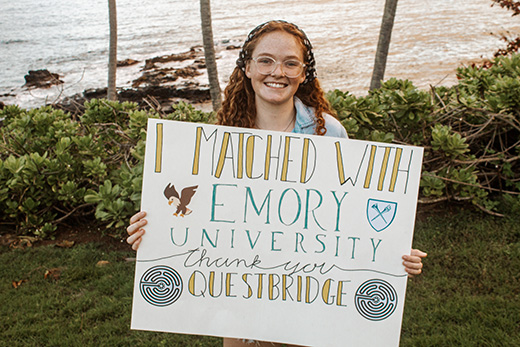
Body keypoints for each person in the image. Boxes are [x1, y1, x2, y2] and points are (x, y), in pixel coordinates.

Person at [127, 20, 427, 347]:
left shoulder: (329, 132)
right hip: (239, 299)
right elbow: (196, 217)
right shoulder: (221, 140)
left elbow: (350, 218)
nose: (277, 72)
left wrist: (391, 251)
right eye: (266, 60)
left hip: (308, 300)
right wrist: (154, 231)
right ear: (247, 68)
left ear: (303, 73)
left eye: (290, 63)